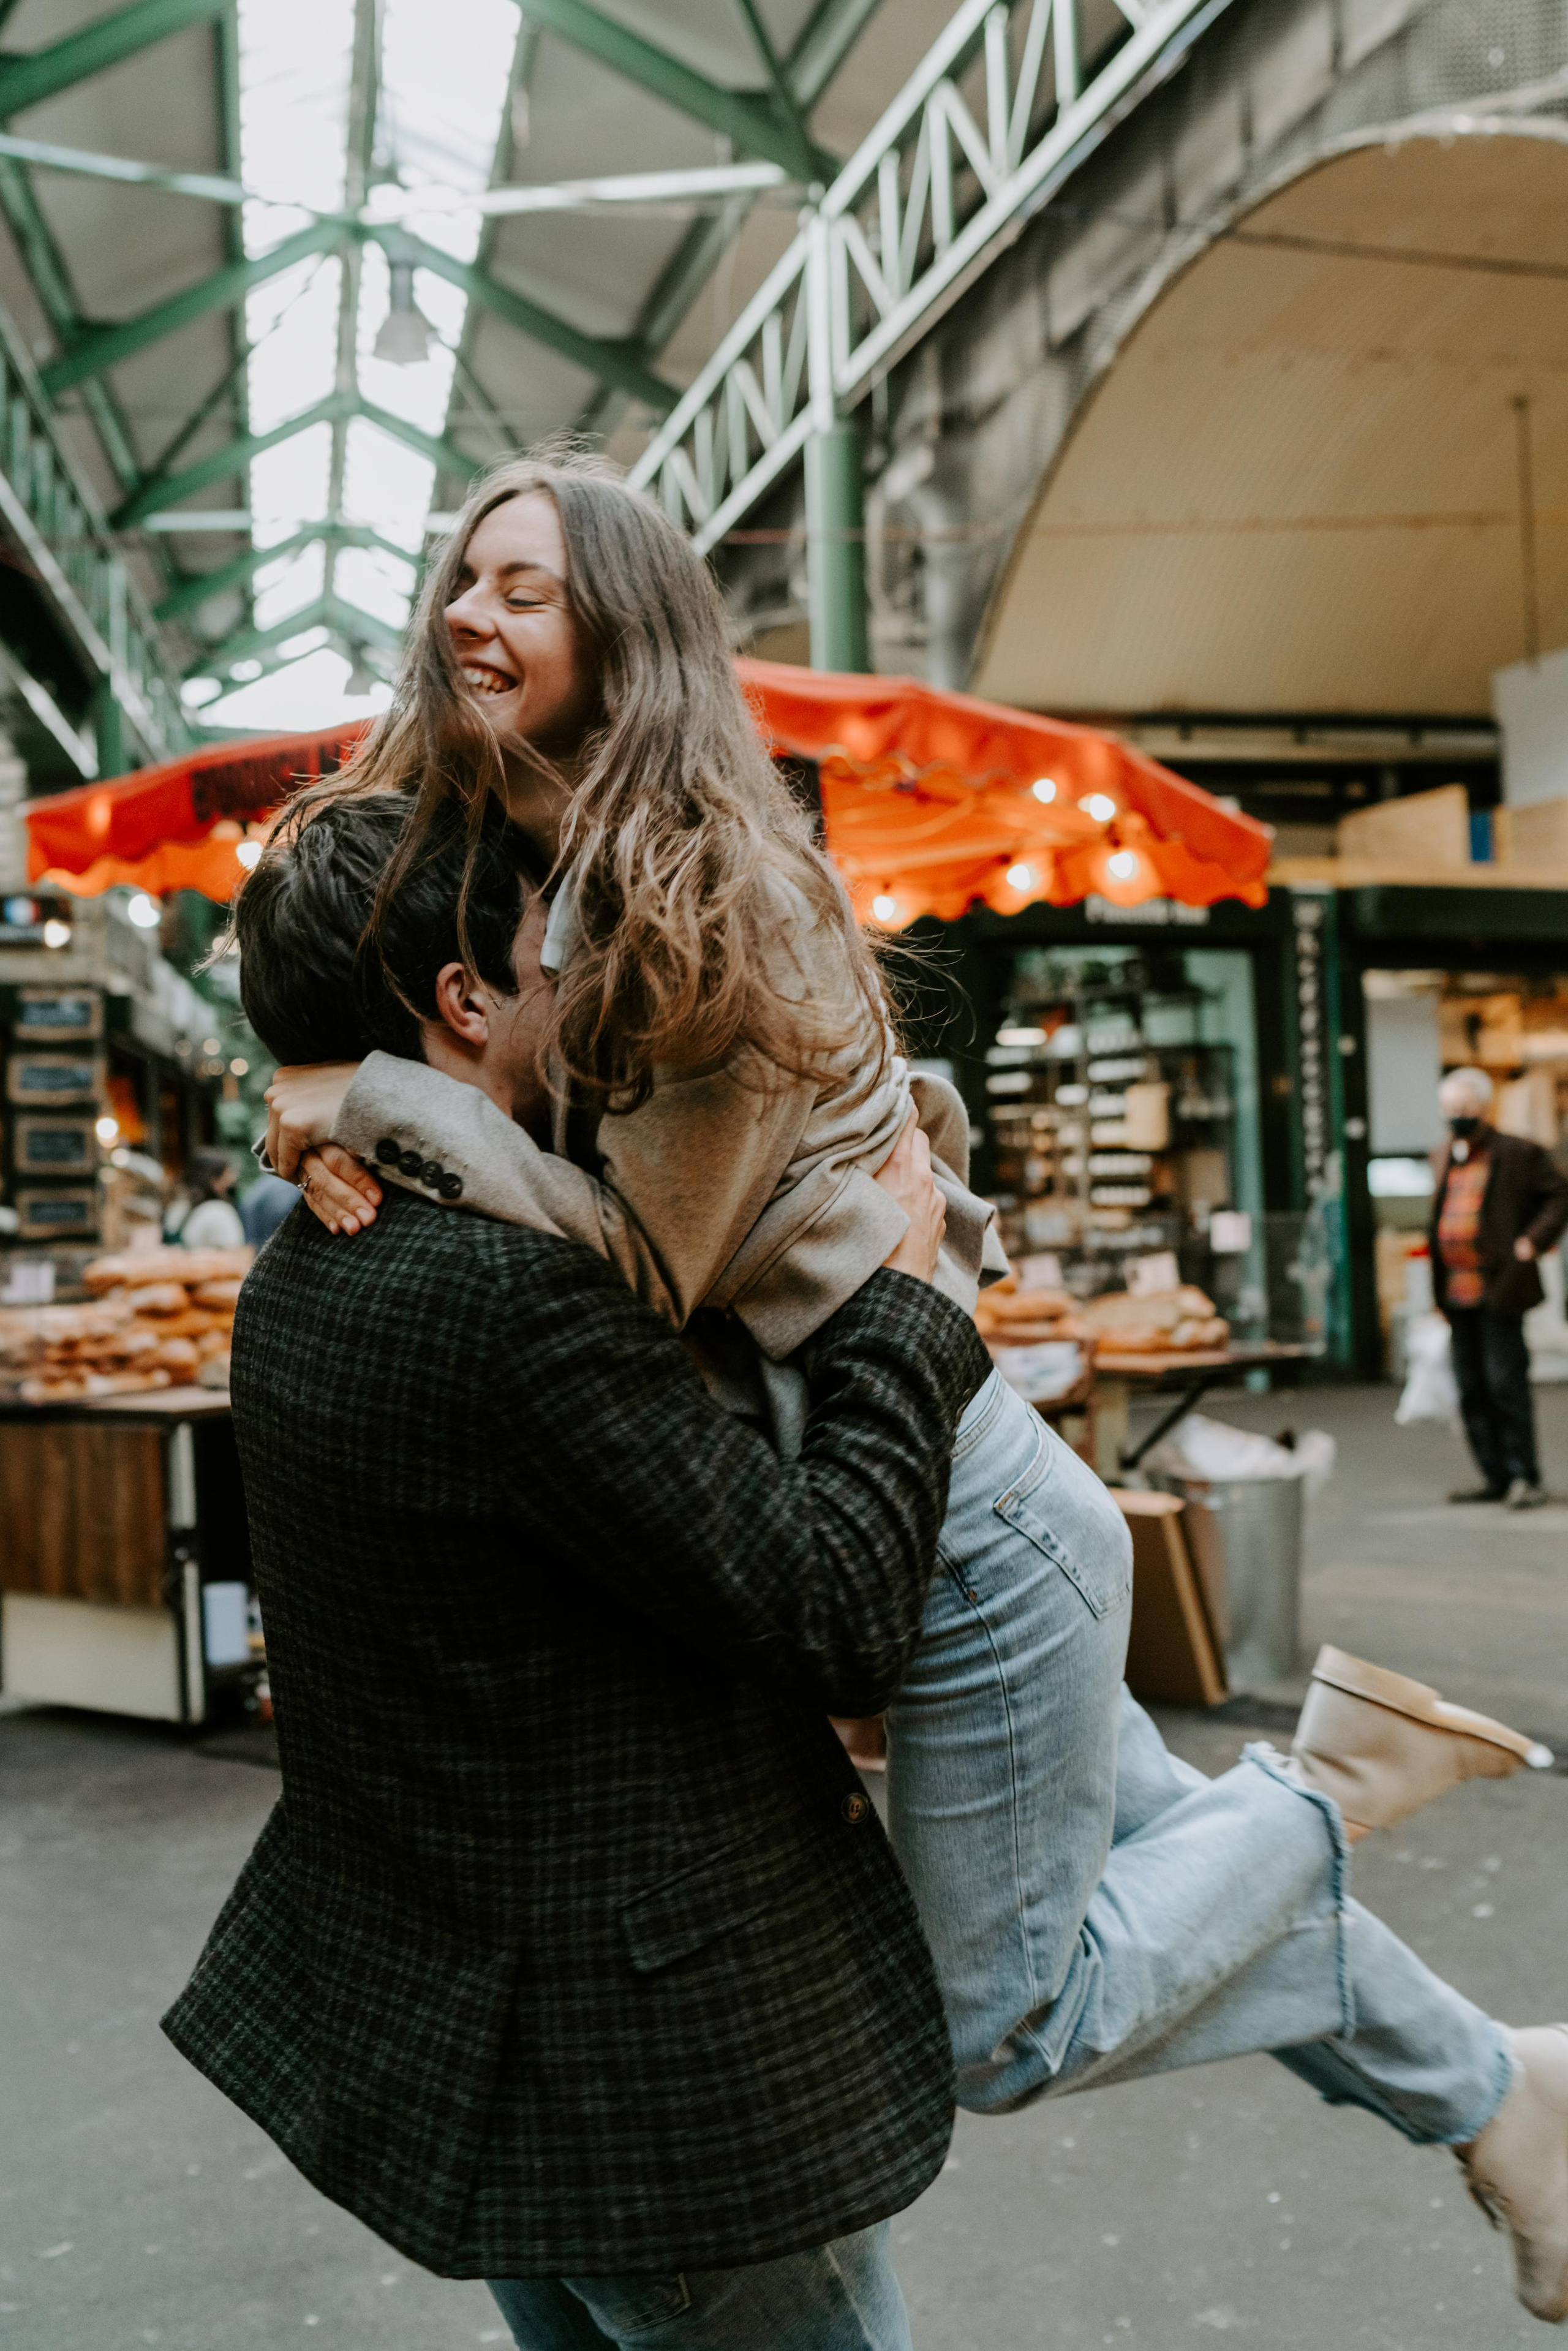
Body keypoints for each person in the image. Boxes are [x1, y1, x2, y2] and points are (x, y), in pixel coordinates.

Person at [259, 456, 1568, 2330]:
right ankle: (1509, 2097)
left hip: (946, 1510)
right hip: (887, 1457)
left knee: (1004, 2013)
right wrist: (337, 1089)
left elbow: (645, 1277)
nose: (473, 614)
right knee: (1165, 1893)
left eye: (526, 589)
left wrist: (395, 1109)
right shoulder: (537, 871)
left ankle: (1329, 1781)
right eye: (466, 576)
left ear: (622, 624)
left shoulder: (692, 888)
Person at [164, 794, 987, 2349]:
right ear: (466, 1002)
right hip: (649, 2075)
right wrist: (901, 1305)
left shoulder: (301, 1272)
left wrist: (326, 1100)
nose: (588, 984)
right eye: (555, 953)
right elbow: (834, 1611)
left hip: (481, 2022)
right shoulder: (510, 1304)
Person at [1431, 1065, 1568, 1511]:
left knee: (1505, 1384)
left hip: (1500, 1290)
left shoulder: (1517, 1153)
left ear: (1484, 1108)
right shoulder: (1444, 1156)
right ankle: (1494, 1475)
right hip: (1456, 1293)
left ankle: (1525, 1476)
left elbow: (1559, 1195)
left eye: (1465, 1108)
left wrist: (1532, 1242)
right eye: (1451, 1109)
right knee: (1470, 1387)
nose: (1458, 1116)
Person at [177, 1146, 244, 1249]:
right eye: (228, 1175)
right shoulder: (220, 1212)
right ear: (215, 1181)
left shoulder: (179, 1209)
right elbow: (232, 1254)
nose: (233, 1179)